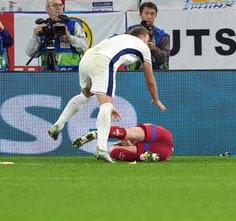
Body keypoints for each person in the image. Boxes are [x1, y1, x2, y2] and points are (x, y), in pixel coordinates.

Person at [47, 27, 166, 163]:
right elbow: (150, 79)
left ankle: (58, 125)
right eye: (147, 39)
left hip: (87, 58)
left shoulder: (116, 36)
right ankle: (101, 149)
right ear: (142, 37)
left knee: (86, 94)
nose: (148, 42)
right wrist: (156, 99)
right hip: (104, 62)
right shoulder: (142, 47)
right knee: (106, 105)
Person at [25, 0, 88, 71]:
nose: (58, 8)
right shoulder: (44, 27)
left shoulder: (73, 24)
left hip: (71, 72)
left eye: (61, 5)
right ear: (47, 9)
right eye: (55, 5)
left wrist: (69, 37)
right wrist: (35, 35)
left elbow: (84, 46)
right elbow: (31, 53)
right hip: (47, 73)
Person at [73, 123, 174, 162]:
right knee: (124, 135)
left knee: (113, 150)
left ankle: (99, 133)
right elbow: (125, 136)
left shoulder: (117, 146)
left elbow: (125, 138)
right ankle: (143, 157)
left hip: (159, 149)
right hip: (164, 150)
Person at [127, 2, 170, 70]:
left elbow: (165, 59)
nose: (149, 17)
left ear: (155, 16)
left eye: (152, 14)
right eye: (146, 13)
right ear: (140, 15)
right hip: (134, 73)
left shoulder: (163, 36)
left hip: (156, 72)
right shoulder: (130, 31)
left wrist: (154, 49)